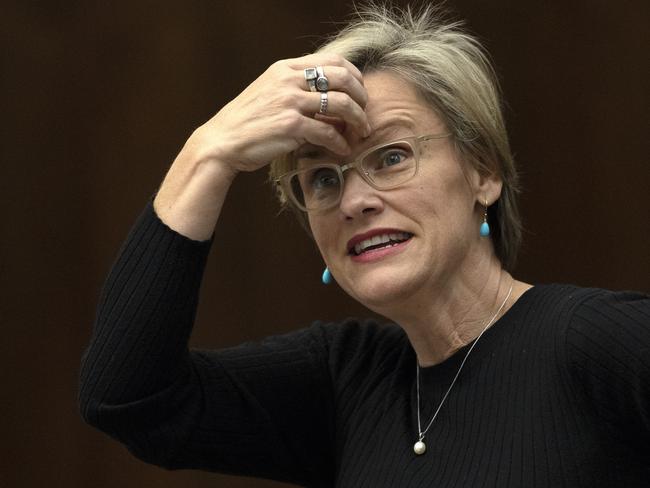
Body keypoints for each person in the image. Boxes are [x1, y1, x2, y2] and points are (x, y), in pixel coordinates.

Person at [79, 3, 650, 487]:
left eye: (392, 157)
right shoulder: (346, 379)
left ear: (483, 173)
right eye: (324, 178)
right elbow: (132, 398)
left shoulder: (599, 343)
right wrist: (207, 153)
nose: (354, 200)